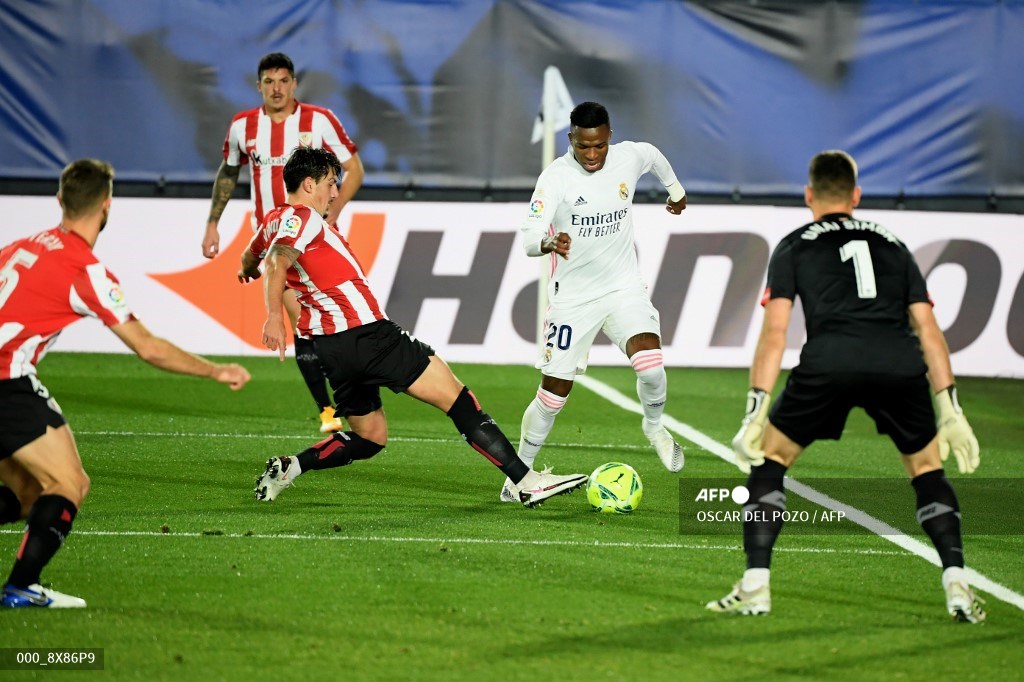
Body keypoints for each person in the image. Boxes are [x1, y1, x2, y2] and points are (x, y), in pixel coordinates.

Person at [707, 150, 985, 623]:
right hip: (898, 362)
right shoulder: (894, 245)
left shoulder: (794, 244)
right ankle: (957, 580)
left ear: (809, 194)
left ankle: (756, 584)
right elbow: (929, 329)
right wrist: (951, 407)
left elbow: (776, 334)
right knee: (925, 466)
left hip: (830, 361)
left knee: (770, 458)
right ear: (855, 195)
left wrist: (756, 407)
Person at [239, 146, 587, 508]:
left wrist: (247, 269)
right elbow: (278, 260)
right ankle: (526, 482)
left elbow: (254, 255)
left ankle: (291, 467)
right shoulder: (304, 218)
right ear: (309, 184)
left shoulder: (273, 221)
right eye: (330, 182)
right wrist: (275, 316)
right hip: (366, 334)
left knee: (370, 438)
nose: (336, 191)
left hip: (333, 350)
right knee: (459, 400)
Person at [0, 159, 251, 609]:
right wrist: (215, 371)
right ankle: (21, 587)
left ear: (60, 200)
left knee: (27, 494)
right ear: (107, 206)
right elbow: (148, 348)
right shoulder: (85, 269)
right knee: (68, 483)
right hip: (6, 380)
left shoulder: (20, 246)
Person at [503, 101, 687, 502]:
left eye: (599, 146)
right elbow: (528, 234)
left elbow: (654, 155)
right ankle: (518, 474)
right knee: (553, 396)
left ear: (609, 138)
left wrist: (676, 191)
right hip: (574, 299)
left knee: (651, 366)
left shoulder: (627, 157)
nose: (591, 155)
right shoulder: (555, 178)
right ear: (571, 139)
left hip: (623, 288)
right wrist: (549, 241)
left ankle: (654, 427)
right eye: (583, 146)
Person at [201, 51, 364, 434]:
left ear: (294, 84)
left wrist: (334, 213)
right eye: (269, 82)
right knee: (303, 327)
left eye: (283, 80)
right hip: (278, 245)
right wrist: (213, 222)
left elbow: (353, 168)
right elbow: (228, 172)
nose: (277, 89)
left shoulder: (319, 120)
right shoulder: (243, 126)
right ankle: (327, 411)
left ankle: (353, 395)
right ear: (259, 86)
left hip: (320, 240)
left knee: (339, 323)